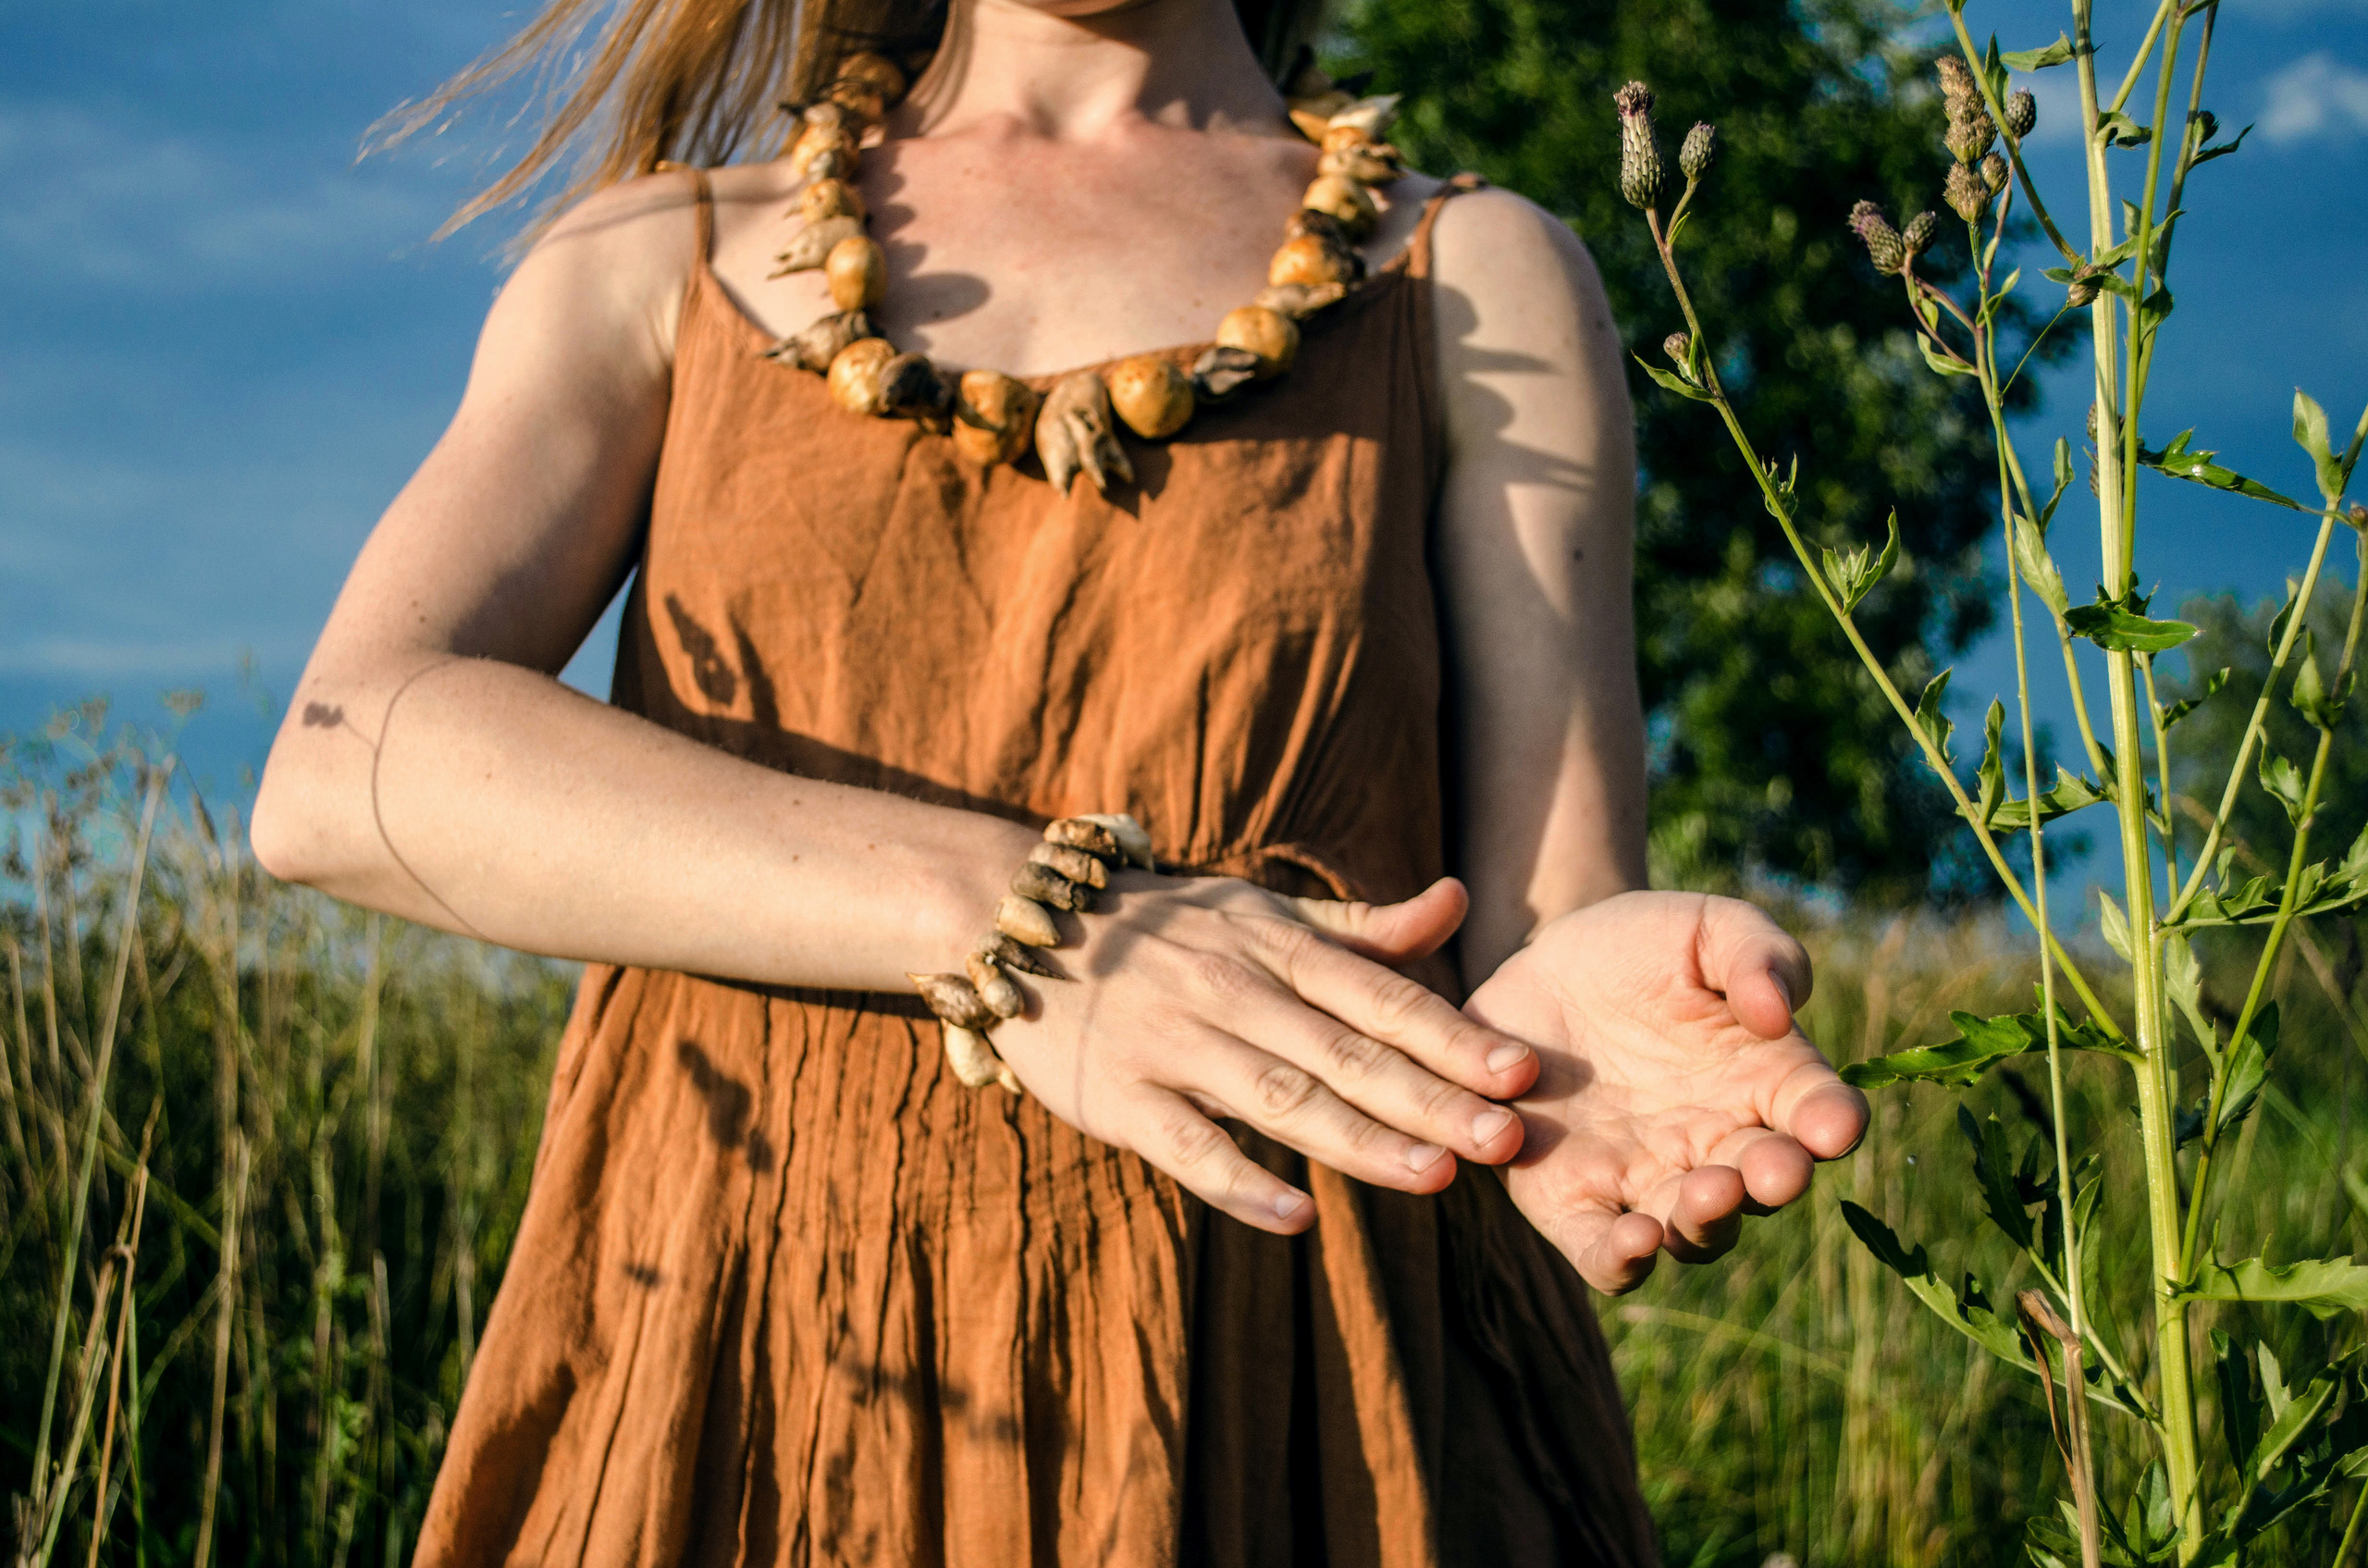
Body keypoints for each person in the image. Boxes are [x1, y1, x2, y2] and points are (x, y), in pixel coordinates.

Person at [251, 0, 1869, 1560]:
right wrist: (1030, 928)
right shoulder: (659, 255)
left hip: (1299, 1374)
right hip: (755, 1341)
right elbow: (346, 762)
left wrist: (1569, 1019)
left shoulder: (1473, 269)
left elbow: (1542, 909)